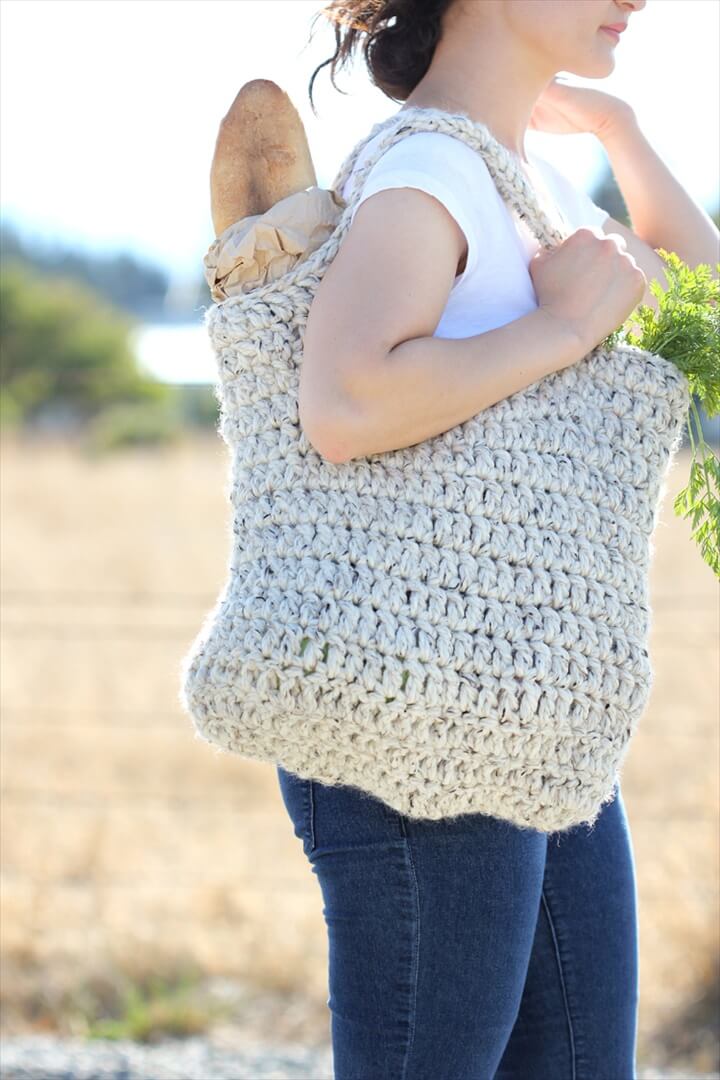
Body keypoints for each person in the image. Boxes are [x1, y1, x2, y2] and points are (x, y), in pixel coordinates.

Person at [273, 1, 717, 1077]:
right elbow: (345, 399)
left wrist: (620, 134)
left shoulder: (524, 184)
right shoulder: (431, 173)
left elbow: (706, 312)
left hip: (534, 713)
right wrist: (560, 330)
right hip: (421, 712)